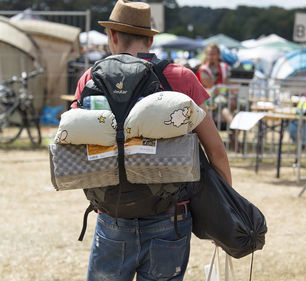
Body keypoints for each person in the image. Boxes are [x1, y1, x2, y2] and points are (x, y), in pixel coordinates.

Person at [72, 1, 232, 280]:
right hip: (170, 218)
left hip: (113, 215)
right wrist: (224, 217)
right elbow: (216, 150)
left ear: (113, 36)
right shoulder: (181, 78)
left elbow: (74, 143)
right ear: (151, 39)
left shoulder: (90, 78)